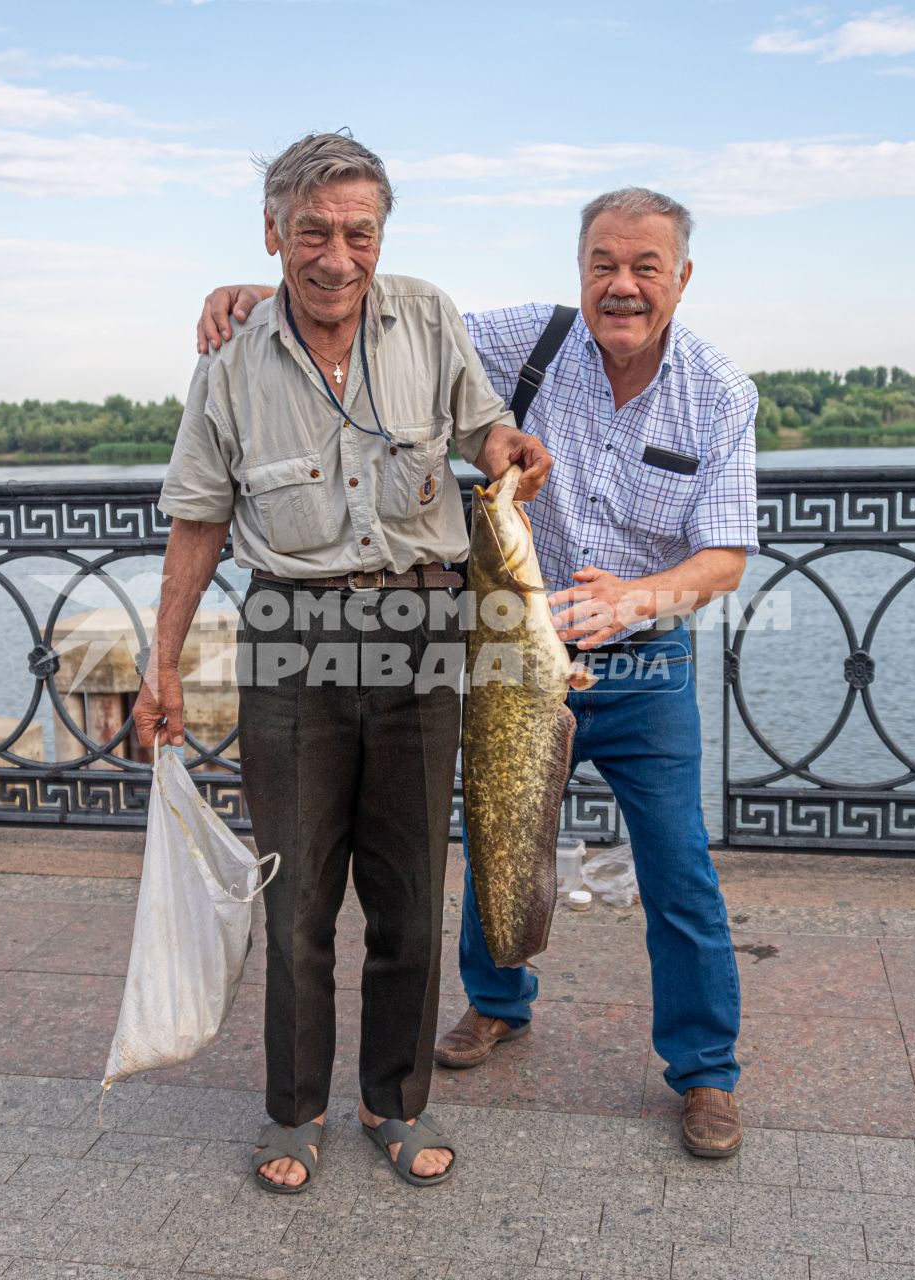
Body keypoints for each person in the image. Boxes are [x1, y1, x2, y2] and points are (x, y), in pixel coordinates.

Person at [195, 187, 759, 1158]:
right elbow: (381, 310)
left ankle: (704, 1071)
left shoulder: (719, 391)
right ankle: (498, 1001)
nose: (621, 287)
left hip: (644, 660)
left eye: (644, 268)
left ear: (682, 277)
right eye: (603, 265)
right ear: (580, 266)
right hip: (505, 643)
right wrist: (271, 286)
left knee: (678, 869)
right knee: (492, 827)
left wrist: (636, 598)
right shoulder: (524, 340)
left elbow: (727, 557)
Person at [135, 133, 550, 1194]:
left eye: (356, 232)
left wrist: (503, 450)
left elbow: (482, 424)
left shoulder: (426, 313)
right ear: (272, 234)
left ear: (381, 235)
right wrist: (161, 664)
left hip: (422, 631)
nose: (335, 256)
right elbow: (197, 521)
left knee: (411, 896)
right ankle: (295, 1107)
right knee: (298, 901)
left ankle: (395, 1101)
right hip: (291, 635)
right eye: (311, 231)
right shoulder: (228, 362)